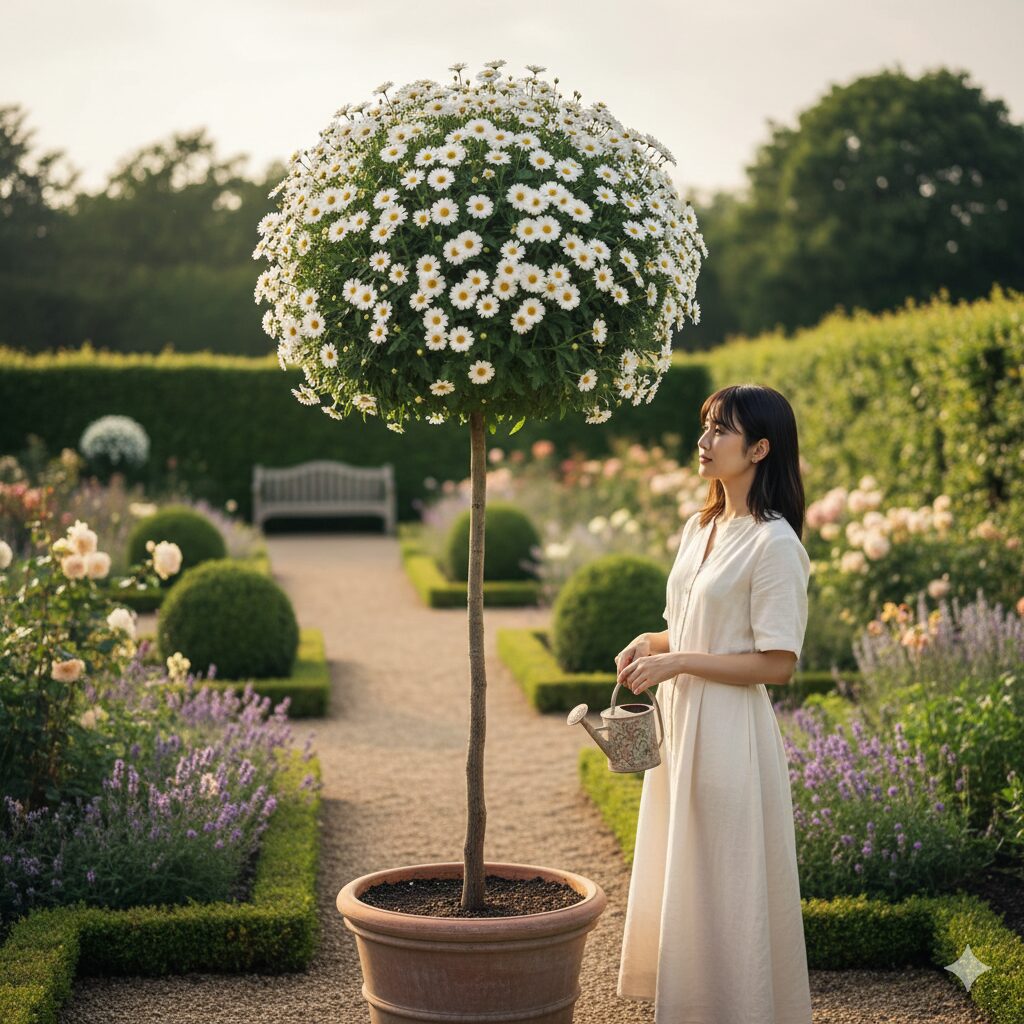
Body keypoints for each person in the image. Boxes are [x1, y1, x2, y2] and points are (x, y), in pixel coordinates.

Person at [614, 383, 814, 1023]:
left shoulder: (775, 545)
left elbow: (776, 663)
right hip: (681, 722)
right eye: (704, 426)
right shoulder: (699, 527)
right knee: (686, 870)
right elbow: (696, 626)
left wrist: (679, 662)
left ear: (759, 448)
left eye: (720, 430)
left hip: (729, 731)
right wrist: (653, 641)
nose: (704, 441)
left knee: (726, 877)